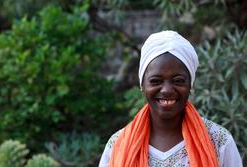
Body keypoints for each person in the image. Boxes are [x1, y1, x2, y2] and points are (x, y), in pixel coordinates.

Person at [98, 30, 243, 167]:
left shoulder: (219, 142)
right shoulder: (118, 144)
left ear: (190, 84)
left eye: (178, 80)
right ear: (142, 84)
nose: (167, 90)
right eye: (156, 81)